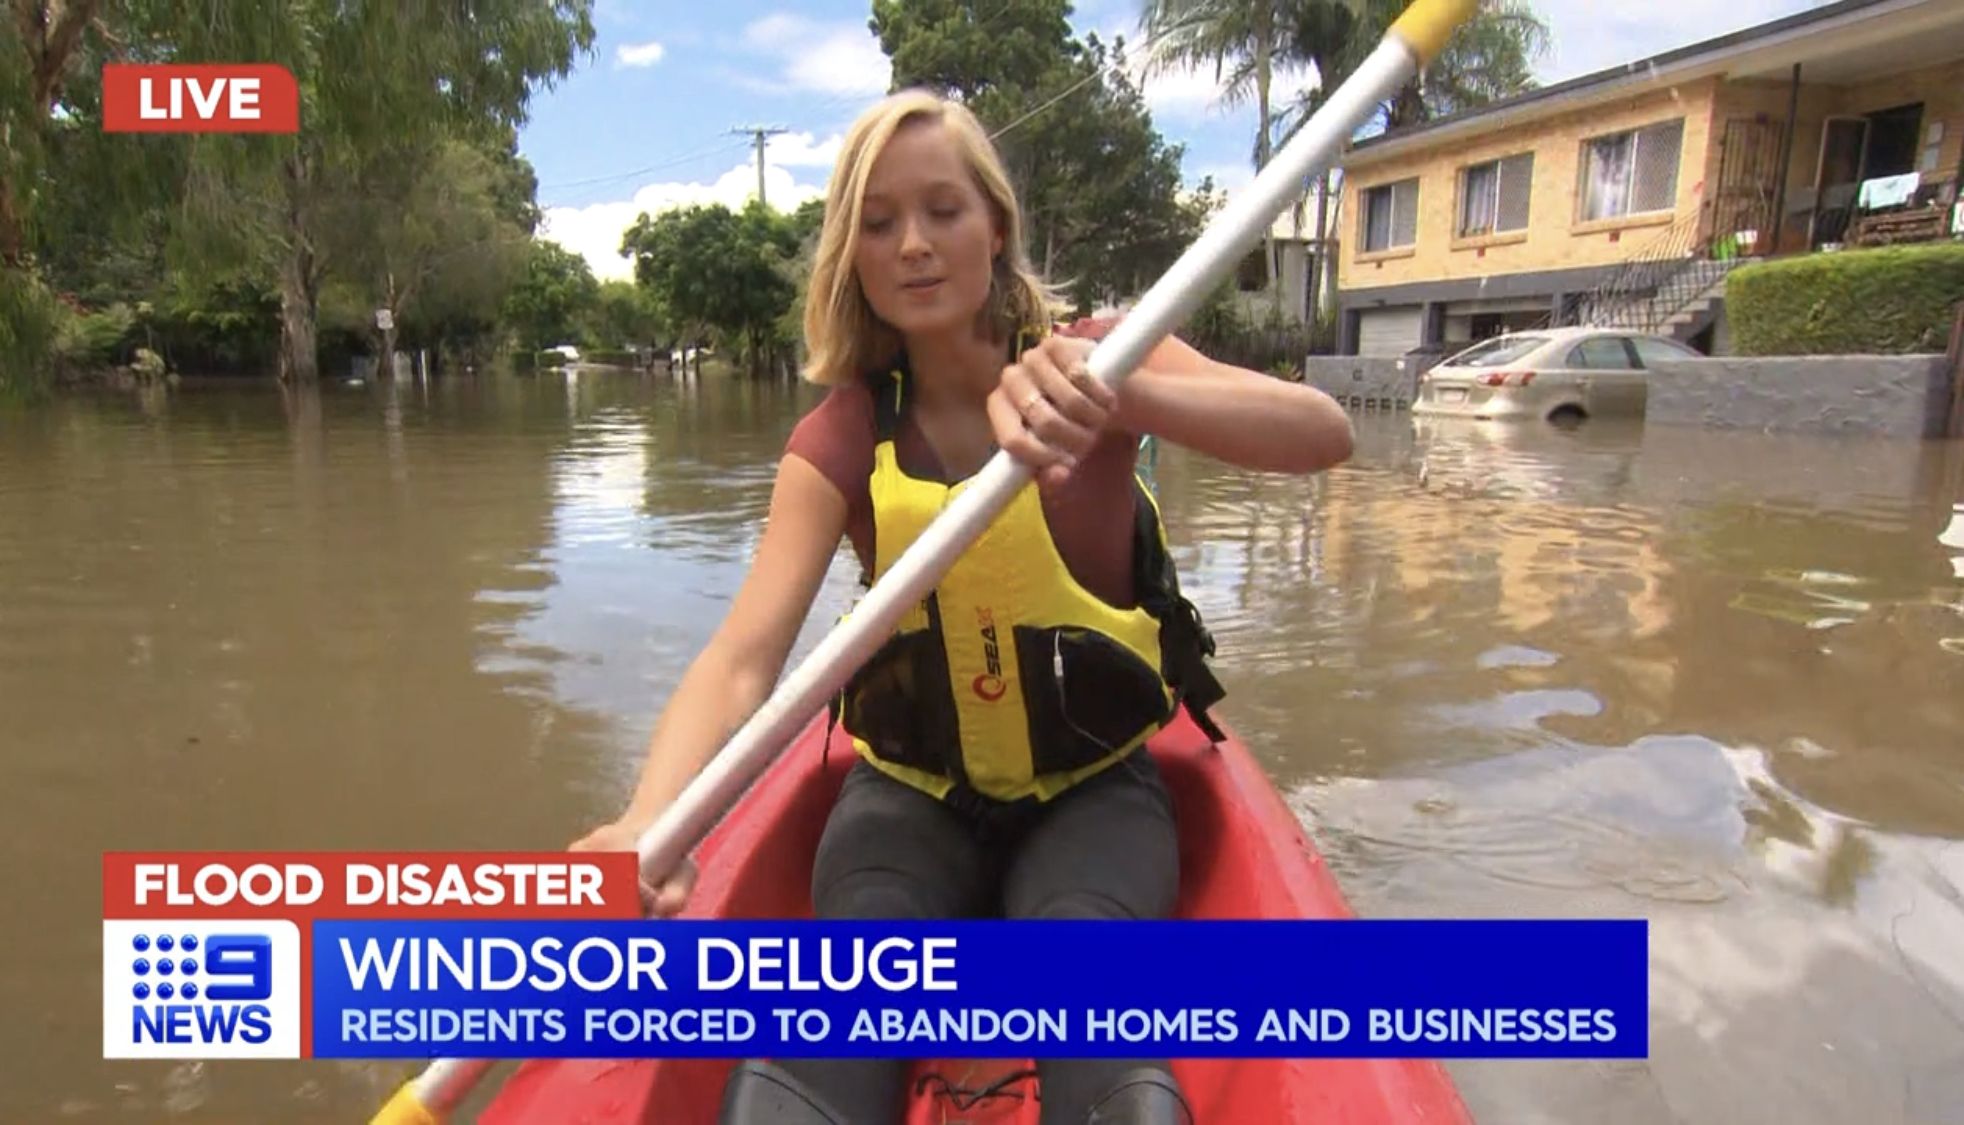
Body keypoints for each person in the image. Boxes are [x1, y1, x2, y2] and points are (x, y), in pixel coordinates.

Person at [571, 89, 1356, 1125]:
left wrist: (1125, 394)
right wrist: (646, 820)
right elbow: (742, 661)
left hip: (1092, 789)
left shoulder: (1103, 357)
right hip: (907, 800)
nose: (913, 244)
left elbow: (1323, 433)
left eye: (943, 210)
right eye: (879, 223)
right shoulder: (842, 436)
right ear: (851, 256)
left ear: (995, 225)